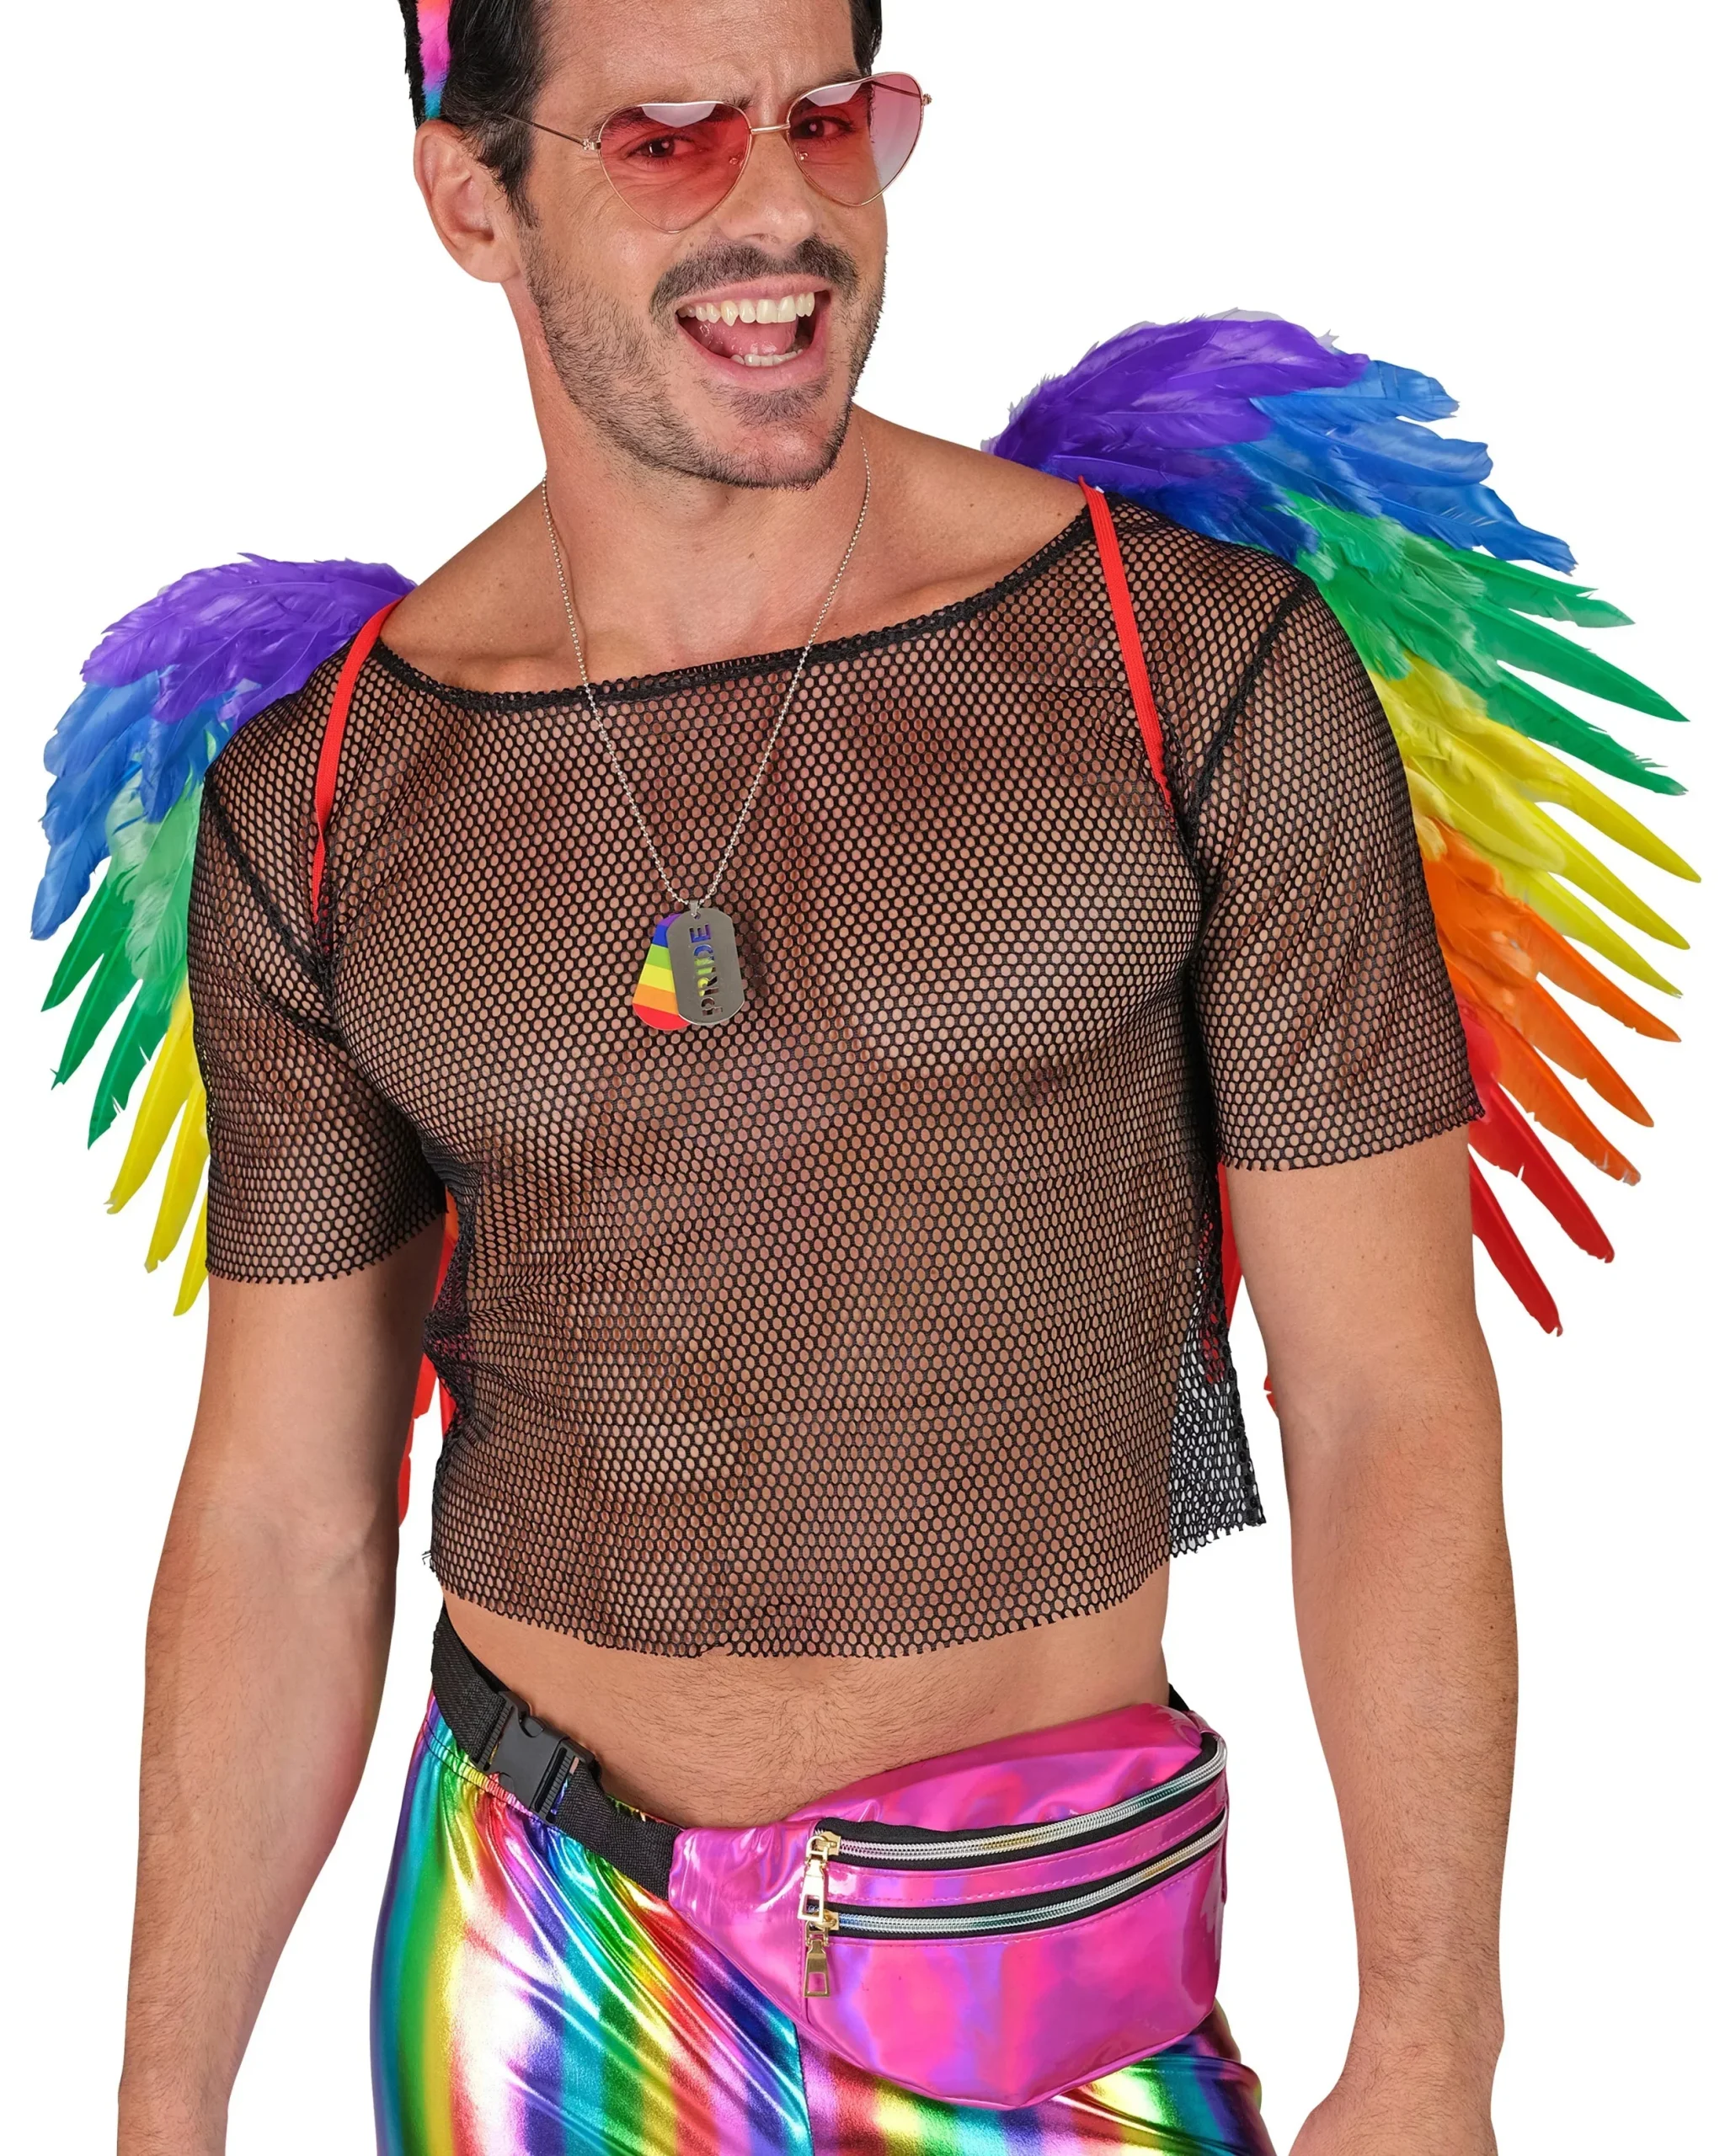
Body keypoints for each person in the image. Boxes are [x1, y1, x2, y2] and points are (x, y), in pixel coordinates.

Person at [110, 1, 1514, 2150]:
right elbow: (288, 1514)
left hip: (1039, 1961)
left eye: (829, 117)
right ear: (473, 199)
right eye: (669, 136)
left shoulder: (1179, 663)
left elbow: (1382, 1397)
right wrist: (160, 2108)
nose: (782, 205)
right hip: (530, 1958)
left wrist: (1427, 2042)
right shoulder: (328, 794)